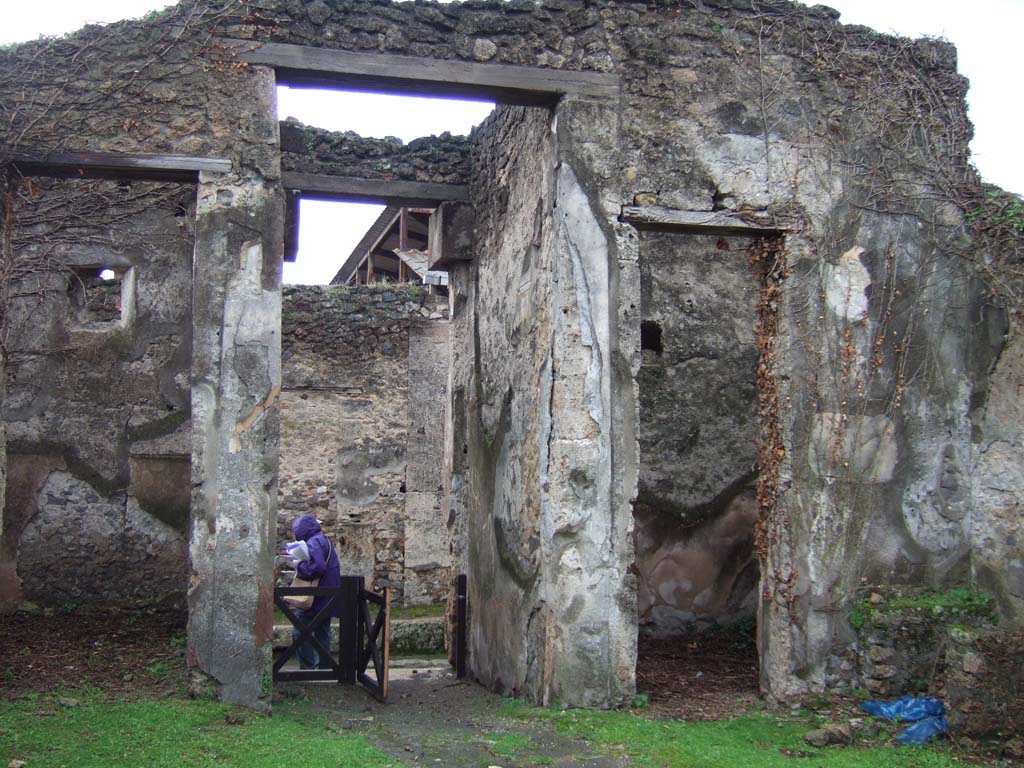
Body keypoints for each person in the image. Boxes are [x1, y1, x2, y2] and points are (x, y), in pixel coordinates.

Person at [289, 514, 341, 670]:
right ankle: (324, 670)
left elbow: (317, 568)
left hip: (317, 597)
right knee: (322, 632)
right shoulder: (323, 539)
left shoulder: (314, 542)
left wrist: (298, 566)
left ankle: (308, 669)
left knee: (299, 631)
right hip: (329, 594)